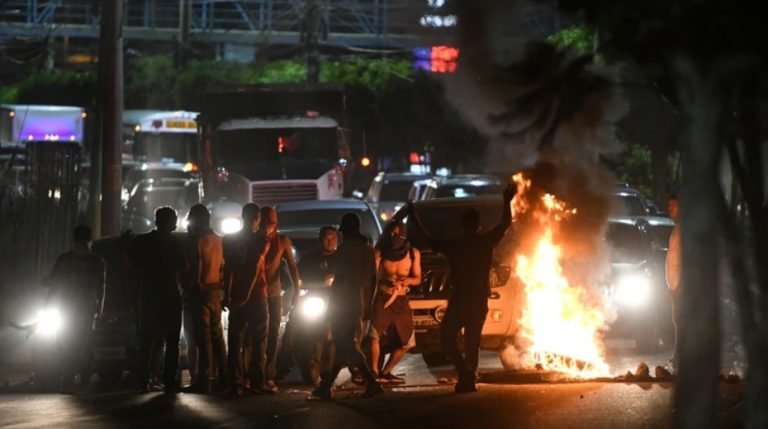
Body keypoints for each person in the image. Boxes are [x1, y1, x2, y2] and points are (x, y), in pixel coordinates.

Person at [408, 184, 514, 393]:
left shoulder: (455, 245)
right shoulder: (485, 242)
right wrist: (507, 202)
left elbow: (427, 238)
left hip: (459, 300)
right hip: (477, 300)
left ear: (463, 225)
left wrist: (413, 215)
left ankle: (465, 374)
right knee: (472, 341)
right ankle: (468, 376)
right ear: (477, 225)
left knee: (447, 337)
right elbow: (504, 224)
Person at [312, 213, 383, 400]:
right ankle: (326, 387)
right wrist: (369, 304)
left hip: (343, 303)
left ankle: (371, 382)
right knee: (345, 346)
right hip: (359, 303)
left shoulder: (344, 250)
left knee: (348, 345)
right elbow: (373, 280)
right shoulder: (368, 250)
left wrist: (331, 306)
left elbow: (338, 279)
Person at [129, 207, 187, 393]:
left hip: (148, 296)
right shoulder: (177, 244)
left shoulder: (142, 242)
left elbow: (130, 265)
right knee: (171, 340)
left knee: (146, 340)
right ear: (171, 223)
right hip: (169, 295)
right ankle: (168, 379)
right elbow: (184, 269)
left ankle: (143, 380)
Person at [46, 225, 106, 393]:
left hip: (67, 307)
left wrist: (47, 304)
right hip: (86, 308)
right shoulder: (97, 261)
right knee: (81, 342)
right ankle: (80, 376)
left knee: (66, 343)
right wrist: (100, 308)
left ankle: (69, 377)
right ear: (89, 240)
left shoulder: (64, 259)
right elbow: (101, 287)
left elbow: (53, 285)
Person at [224, 203, 271, 395]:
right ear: (257, 219)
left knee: (235, 340)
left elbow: (229, 270)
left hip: (236, 295)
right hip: (256, 295)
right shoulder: (262, 241)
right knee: (258, 339)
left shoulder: (229, 240)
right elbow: (255, 268)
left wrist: (228, 294)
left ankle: (235, 382)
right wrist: (246, 294)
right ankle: (257, 382)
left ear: (242, 216)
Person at [369, 219, 421, 384]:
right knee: (373, 335)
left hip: (401, 300)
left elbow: (417, 278)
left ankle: (386, 371)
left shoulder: (413, 254)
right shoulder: (379, 253)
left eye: (398, 233)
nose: (394, 236)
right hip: (382, 298)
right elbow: (371, 277)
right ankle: (373, 372)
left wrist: (407, 281)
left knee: (406, 341)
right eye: (392, 233)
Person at [184, 204, 227, 393]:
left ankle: (204, 379)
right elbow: (222, 266)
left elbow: (198, 264)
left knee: (204, 338)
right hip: (217, 290)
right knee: (217, 336)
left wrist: (195, 284)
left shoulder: (198, 241)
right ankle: (223, 375)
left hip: (202, 291)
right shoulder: (219, 240)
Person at [259, 206, 301, 393]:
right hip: (256, 294)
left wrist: (297, 291)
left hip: (274, 293)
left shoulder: (282, 241)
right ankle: (255, 375)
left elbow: (292, 267)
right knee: (257, 335)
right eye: (265, 222)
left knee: (274, 334)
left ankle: (269, 375)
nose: (267, 226)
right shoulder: (254, 240)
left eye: (272, 223)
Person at [666, 194, 681, 365]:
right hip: (675, 286)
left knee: (681, 321)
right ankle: (678, 357)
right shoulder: (677, 229)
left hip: (682, 287)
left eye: (673, 205)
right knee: (678, 320)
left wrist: (680, 286)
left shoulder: (684, 231)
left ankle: (680, 358)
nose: (670, 209)